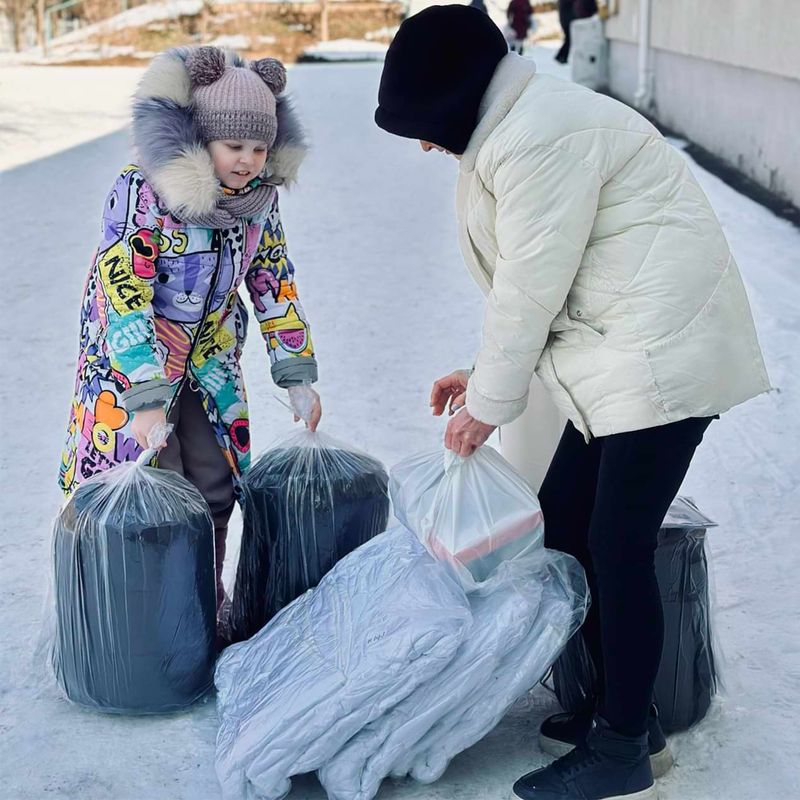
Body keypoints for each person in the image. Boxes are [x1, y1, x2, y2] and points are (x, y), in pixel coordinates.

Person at [375, 7, 770, 800]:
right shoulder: (521, 126)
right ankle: (618, 712)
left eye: (423, 125)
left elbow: (530, 288)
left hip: (663, 359)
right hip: (626, 349)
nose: (423, 144)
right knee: (566, 518)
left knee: (616, 542)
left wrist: (489, 401)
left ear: (456, 98)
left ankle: (627, 743)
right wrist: (483, 370)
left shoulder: (540, 135)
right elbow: (540, 281)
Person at [59, 45, 321, 619]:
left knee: (214, 486)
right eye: (235, 147)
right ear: (200, 140)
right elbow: (122, 293)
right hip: (131, 372)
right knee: (157, 492)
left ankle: (201, 612)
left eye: (260, 147)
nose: (249, 160)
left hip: (211, 369)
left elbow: (272, 278)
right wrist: (145, 399)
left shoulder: (258, 203)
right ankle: (145, 626)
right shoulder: (143, 193)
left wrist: (295, 370)